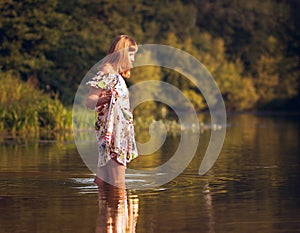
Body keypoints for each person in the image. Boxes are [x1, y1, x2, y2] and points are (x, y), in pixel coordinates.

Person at [85, 35, 138, 188]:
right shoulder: (107, 72)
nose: (134, 59)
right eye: (131, 54)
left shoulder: (117, 76)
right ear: (121, 53)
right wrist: (104, 99)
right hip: (114, 136)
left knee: (102, 181)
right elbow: (89, 102)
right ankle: (117, 210)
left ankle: (106, 209)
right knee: (118, 183)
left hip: (118, 133)